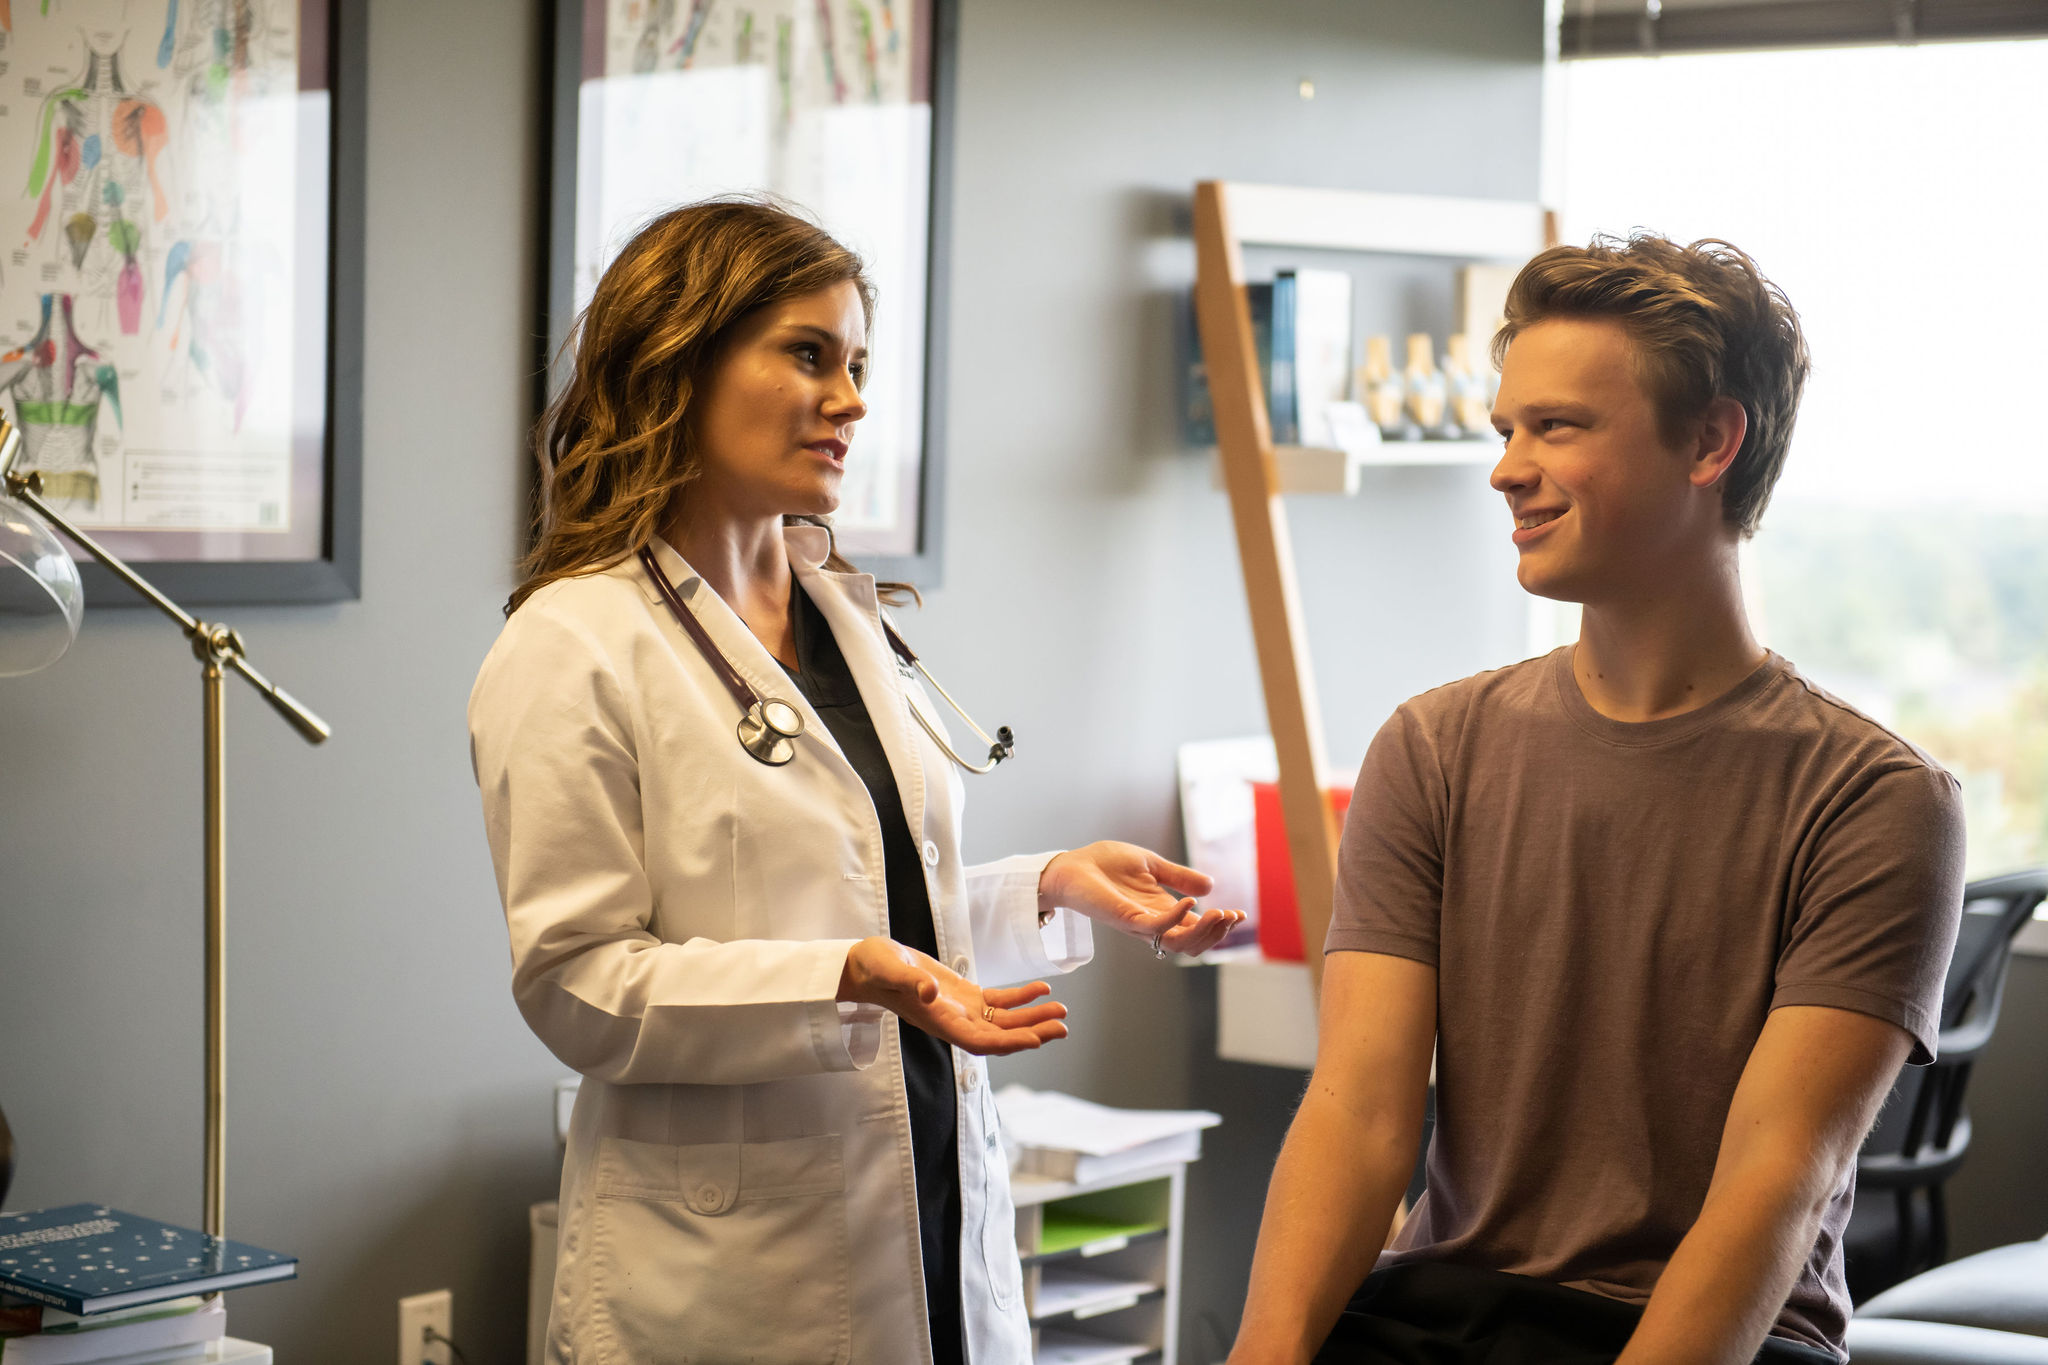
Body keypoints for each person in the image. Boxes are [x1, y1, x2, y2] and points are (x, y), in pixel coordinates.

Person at [468, 197, 1244, 1364]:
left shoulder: (847, 616)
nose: (851, 400)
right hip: (729, 1276)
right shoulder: (571, 643)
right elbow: (580, 986)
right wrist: (845, 977)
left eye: (857, 363)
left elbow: (867, 904)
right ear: (678, 362)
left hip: (931, 1208)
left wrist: (1049, 889)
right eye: (807, 355)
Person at [1228, 234, 1965, 1365]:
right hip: (1446, 1314)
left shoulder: (1874, 803)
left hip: (1723, 1338)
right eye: (1504, 429)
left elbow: (1772, 1187)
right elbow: (1359, 1118)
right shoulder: (1431, 749)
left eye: (1556, 428)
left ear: (1710, 442)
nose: (1505, 469)